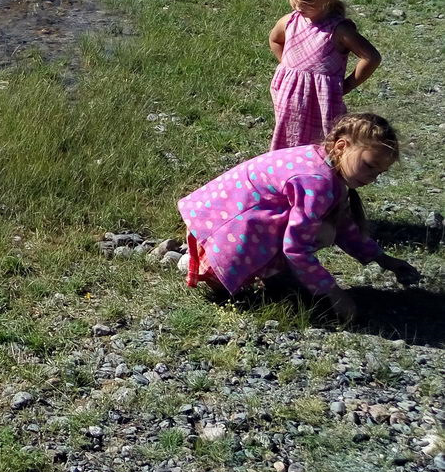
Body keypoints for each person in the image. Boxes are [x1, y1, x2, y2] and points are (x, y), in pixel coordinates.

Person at [178, 112, 420, 319]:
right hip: (223, 231)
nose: (372, 178)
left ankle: (261, 271)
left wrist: (381, 258)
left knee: (326, 227)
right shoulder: (318, 182)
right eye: (369, 166)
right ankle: (207, 264)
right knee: (322, 232)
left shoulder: (323, 163)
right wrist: (332, 292)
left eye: (379, 173)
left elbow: (344, 225)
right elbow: (296, 247)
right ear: (341, 146)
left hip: (213, 218)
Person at [269, 0, 381, 151]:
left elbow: (371, 57)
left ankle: (320, 181)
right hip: (288, 101)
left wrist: (346, 85)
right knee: (288, 145)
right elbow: (275, 39)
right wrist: (287, 67)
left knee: (322, 148)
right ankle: (289, 178)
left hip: (323, 104)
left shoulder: (339, 30)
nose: (297, 4)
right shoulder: (290, 21)